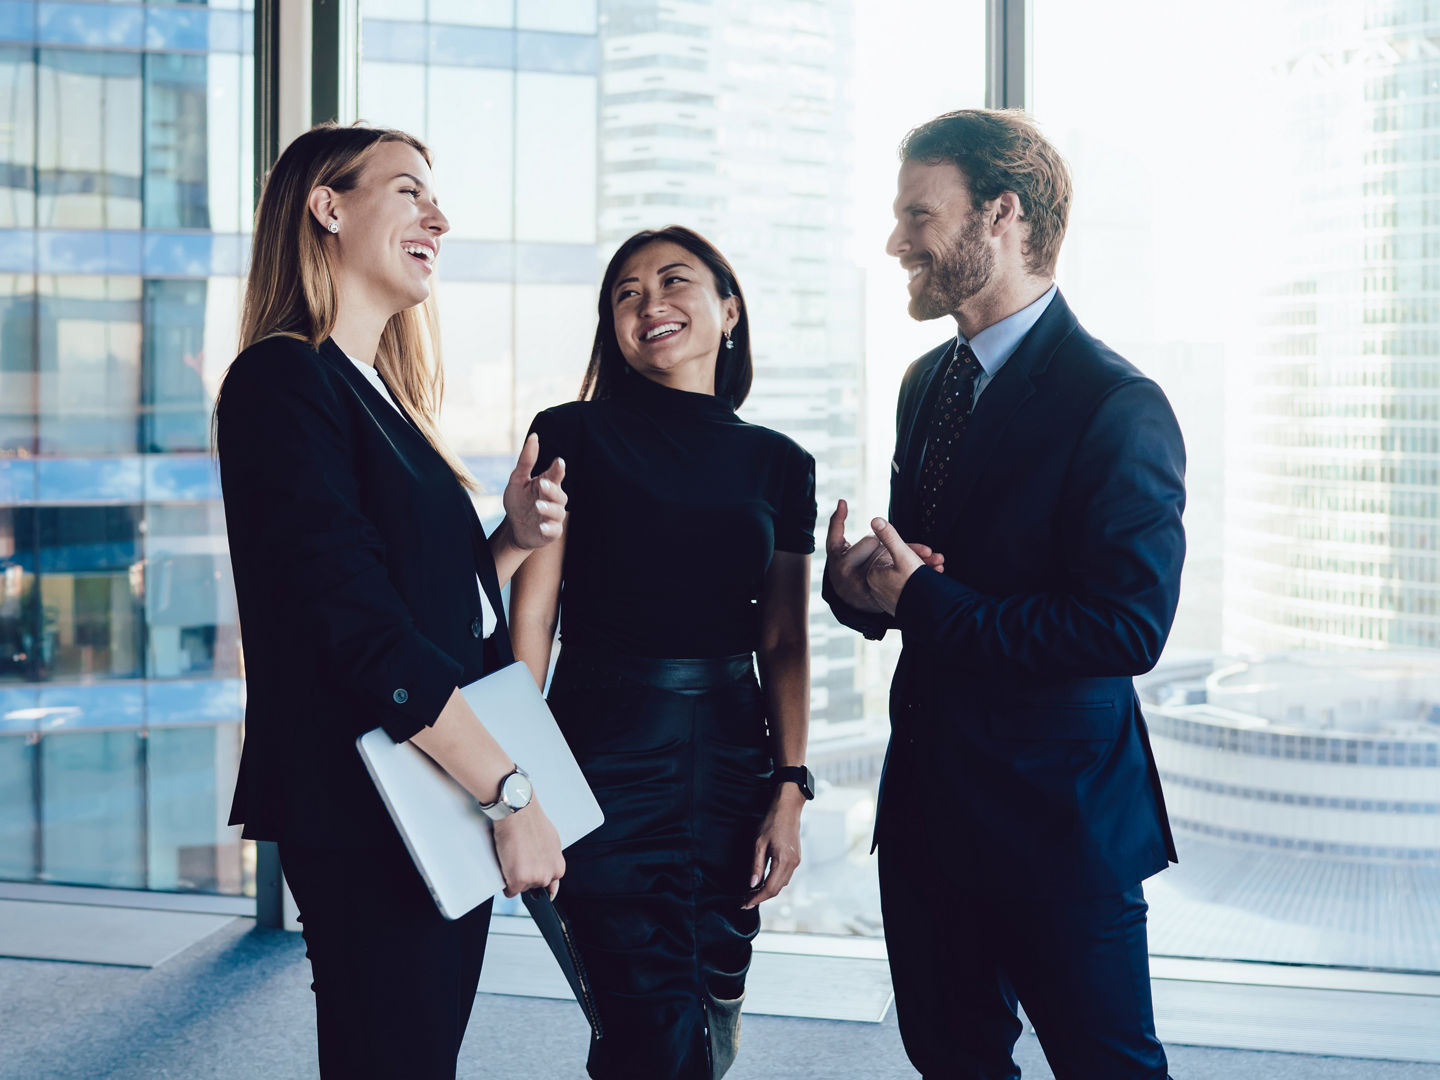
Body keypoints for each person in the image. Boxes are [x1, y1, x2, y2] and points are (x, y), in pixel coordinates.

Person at [824, 109, 1183, 1079]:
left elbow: (1125, 626)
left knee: (1106, 1065)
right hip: (930, 814)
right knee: (952, 1060)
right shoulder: (924, 383)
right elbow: (929, 574)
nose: (898, 240)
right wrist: (859, 588)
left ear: (1002, 216)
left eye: (917, 214)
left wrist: (922, 603)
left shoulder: (1117, 404)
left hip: (1058, 828)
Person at [213, 122, 568, 1080]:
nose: (437, 217)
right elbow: (358, 630)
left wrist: (509, 546)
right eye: (409, 191)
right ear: (328, 207)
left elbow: (419, 603)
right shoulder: (284, 378)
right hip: (374, 800)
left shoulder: (382, 393)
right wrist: (511, 793)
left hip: (421, 788)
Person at [509, 225, 817, 1079]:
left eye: (673, 281)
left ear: (729, 309)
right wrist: (519, 782)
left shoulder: (781, 464)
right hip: (600, 749)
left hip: (730, 757)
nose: (649, 304)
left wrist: (791, 788)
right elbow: (532, 621)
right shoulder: (569, 433)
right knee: (644, 1019)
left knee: (707, 1007)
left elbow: (785, 638)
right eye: (626, 293)